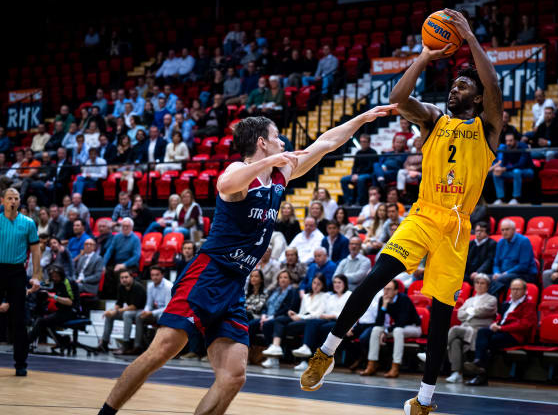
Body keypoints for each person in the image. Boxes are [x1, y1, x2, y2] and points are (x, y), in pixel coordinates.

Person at [97, 106, 396, 414]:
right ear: (262, 142)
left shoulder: (281, 173)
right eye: (277, 137)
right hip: (208, 274)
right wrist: (269, 161)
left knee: (233, 376)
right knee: (161, 351)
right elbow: (225, 185)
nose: (283, 142)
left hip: (235, 284)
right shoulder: (239, 172)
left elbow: (326, 143)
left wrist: (362, 118)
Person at [302, 9, 503, 414]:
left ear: (479, 98)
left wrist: (469, 37)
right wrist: (426, 56)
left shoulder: (488, 127)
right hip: (424, 214)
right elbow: (397, 100)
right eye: (454, 84)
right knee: (375, 277)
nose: (455, 90)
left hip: (456, 226)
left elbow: (494, 85)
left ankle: (424, 400)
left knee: (441, 313)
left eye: (464, 86)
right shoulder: (433, 120)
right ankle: (327, 351)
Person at [423, 273, 496, 383]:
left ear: (487, 286)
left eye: (482, 283)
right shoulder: (469, 300)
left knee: (455, 329)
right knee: (455, 341)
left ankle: (432, 354)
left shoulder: (492, 299)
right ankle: (457, 373)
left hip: (478, 330)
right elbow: (459, 314)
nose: (479, 285)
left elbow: (484, 311)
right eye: (477, 282)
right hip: (465, 329)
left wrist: (469, 311)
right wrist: (472, 312)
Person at [0, 188, 41, 376]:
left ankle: (20, 363)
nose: (13, 201)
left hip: (17, 272)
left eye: (16, 198)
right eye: (9, 198)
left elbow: (36, 251)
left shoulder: (28, 223)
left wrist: (37, 275)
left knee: (19, 319)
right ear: (3, 201)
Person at [464, 278, 536, 386]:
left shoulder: (528, 305)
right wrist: (495, 324)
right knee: (482, 332)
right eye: (513, 289)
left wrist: (502, 328)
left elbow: (525, 325)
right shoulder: (506, 303)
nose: (515, 291)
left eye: (518, 289)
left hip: (515, 335)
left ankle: (480, 372)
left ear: (525, 291)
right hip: (501, 332)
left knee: (489, 343)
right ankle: (478, 361)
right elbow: (500, 318)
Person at [261, 273, 328, 368]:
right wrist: (294, 314)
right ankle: (275, 350)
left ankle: (304, 361)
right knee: (274, 322)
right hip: (302, 319)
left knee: (308, 324)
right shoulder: (306, 296)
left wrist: (301, 317)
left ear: (323, 285)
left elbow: (318, 314)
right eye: (314, 283)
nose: (315, 286)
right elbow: (302, 312)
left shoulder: (325, 296)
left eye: (319, 284)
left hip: (312, 321)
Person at [360, 280, 422, 379]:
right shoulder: (382, 299)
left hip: (413, 327)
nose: (386, 291)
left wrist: (386, 331)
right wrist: (384, 306)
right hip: (397, 327)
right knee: (376, 329)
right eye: (384, 289)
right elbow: (379, 323)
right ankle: (371, 364)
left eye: (389, 289)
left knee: (397, 330)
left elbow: (402, 321)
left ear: (396, 291)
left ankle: (395, 367)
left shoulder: (404, 299)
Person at [291, 275, 352, 370]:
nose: (336, 285)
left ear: (345, 284)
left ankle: (312, 360)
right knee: (312, 323)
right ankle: (306, 353)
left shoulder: (349, 294)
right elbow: (324, 311)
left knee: (321, 329)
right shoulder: (331, 296)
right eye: (335, 282)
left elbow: (350, 312)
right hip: (327, 319)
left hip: (341, 322)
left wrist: (333, 316)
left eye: (339, 282)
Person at [125, 266, 173, 355]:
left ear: (162, 275)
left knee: (161, 317)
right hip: (156, 311)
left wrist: (151, 313)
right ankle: (137, 346)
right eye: (152, 275)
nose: (154, 277)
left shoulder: (168, 286)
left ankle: (160, 348)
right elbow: (148, 304)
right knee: (139, 316)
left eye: (157, 275)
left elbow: (168, 308)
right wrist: (146, 311)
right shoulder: (150, 286)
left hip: (168, 312)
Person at [28, 265, 79, 348]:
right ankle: (63, 340)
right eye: (52, 276)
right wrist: (30, 290)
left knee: (41, 322)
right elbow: (40, 285)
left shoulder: (67, 282)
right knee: (38, 319)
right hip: (60, 310)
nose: (54, 278)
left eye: (56, 276)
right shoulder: (52, 281)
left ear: (61, 275)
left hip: (71, 311)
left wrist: (53, 296)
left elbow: (70, 302)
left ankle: (24, 344)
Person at [99, 269, 147, 354]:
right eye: (122, 278)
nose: (124, 279)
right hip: (130, 310)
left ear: (132, 277)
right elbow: (119, 303)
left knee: (126, 314)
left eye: (126, 277)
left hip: (141, 311)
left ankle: (126, 345)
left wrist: (116, 311)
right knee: (109, 315)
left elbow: (134, 306)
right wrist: (112, 311)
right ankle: (104, 344)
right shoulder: (121, 287)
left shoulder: (137, 287)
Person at [490, 219, 537, 296]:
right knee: (483, 278)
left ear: (514, 230)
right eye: (502, 230)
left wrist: (506, 273)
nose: (504, 232)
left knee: (501, 279)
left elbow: (523, 266)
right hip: (503, 274)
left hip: (524, 274)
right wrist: (496, 273)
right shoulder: (500, 242)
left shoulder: (524, 241)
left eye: (507, 229)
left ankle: (493, 301)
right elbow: (496, 264)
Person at [102, 218, 141, 297]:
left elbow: (136, 256)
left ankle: (120, 296)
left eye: (127, 226)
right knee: (107, 272)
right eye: (123, 226)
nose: (125, 228)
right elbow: (109, 251)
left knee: (119, 273)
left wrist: (124, 265)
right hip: (117, 263)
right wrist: (103, 264)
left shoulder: (135, 239)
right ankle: (109, 296)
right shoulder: (117, 237)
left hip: (130, 265)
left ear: (131, 227)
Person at [491, 132, 534, 205]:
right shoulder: (506, 148)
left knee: (516, 171)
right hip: (513, 170)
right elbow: (504, 163)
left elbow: (521, 164)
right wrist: (499, 168)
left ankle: (516, 198)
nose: (508, 143)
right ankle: (500, 198)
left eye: (510, 140)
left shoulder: (523, 146)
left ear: (515, 140)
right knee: (496, 173)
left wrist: (504, 169)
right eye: (507, 141)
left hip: (527, 170)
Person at [340, 133, 378, 206]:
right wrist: (353, 174)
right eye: (361, 141)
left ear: (369, 143)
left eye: (364, 141)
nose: (362, 143)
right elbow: (354, 166)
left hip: (369, 174)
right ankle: (348, 201)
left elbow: (370, 168)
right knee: (343, 180)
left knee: (360, 179)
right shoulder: (358, 153)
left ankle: (359, 201)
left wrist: (358, 175)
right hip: (358, 175)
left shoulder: (373, 152)